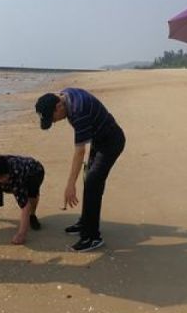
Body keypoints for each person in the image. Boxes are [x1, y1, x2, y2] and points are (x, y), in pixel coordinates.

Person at [35, 88, 125, 252]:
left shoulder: (78, 111)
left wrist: (70, 185)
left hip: (111, 142)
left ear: (59, 107)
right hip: (99, 139)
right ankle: (85, 222)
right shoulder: (63, 96)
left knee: (92, 182)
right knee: (89, 179)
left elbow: (80, 151)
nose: (53, 122)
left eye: (52, 119)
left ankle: (92, 237)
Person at [0, 154, 44, 245]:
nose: (0, 180)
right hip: (4, 174)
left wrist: (21, 234)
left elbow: (25, 206)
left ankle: (32, 216)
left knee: (31, 196)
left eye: (2, 178)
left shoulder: (16, 174)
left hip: (33, 172)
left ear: (7, 174)